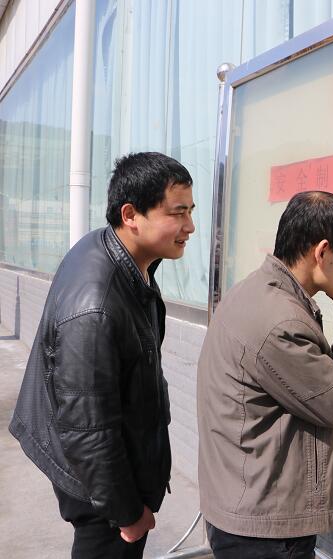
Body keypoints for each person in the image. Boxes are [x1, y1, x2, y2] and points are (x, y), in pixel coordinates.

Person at [8, 152, 195, 558]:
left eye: (191, 211)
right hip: (99, 489)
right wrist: (126, 513)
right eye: (177, 213)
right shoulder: (95, 306)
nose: (190, 227)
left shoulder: (126, 256)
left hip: (113, 470)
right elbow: (88, 428)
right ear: (131, 215)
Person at [197, 191, 333, 559]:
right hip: (264, 532)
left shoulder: (255, 292)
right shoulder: (281, 322)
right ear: (322, 252)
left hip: (244, 507)